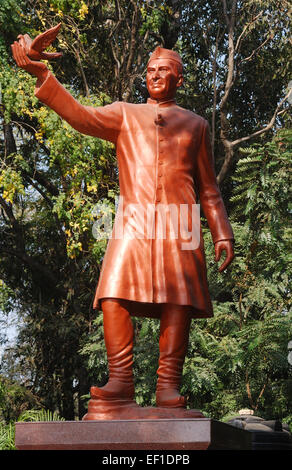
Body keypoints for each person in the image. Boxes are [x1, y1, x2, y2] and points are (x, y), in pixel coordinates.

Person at [11, 34, 234, 409]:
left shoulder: (195, 125)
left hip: (181, 222)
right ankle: (120, 381)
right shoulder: (125, 113)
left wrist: (221, 233)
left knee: (178, 301)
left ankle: (167, 387)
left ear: (179, 79)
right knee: (112, 294)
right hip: (133, 219)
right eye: (150, 71)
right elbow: (80, 115)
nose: (155, 76)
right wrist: (42, 76)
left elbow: (209, 187)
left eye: (164, 71)